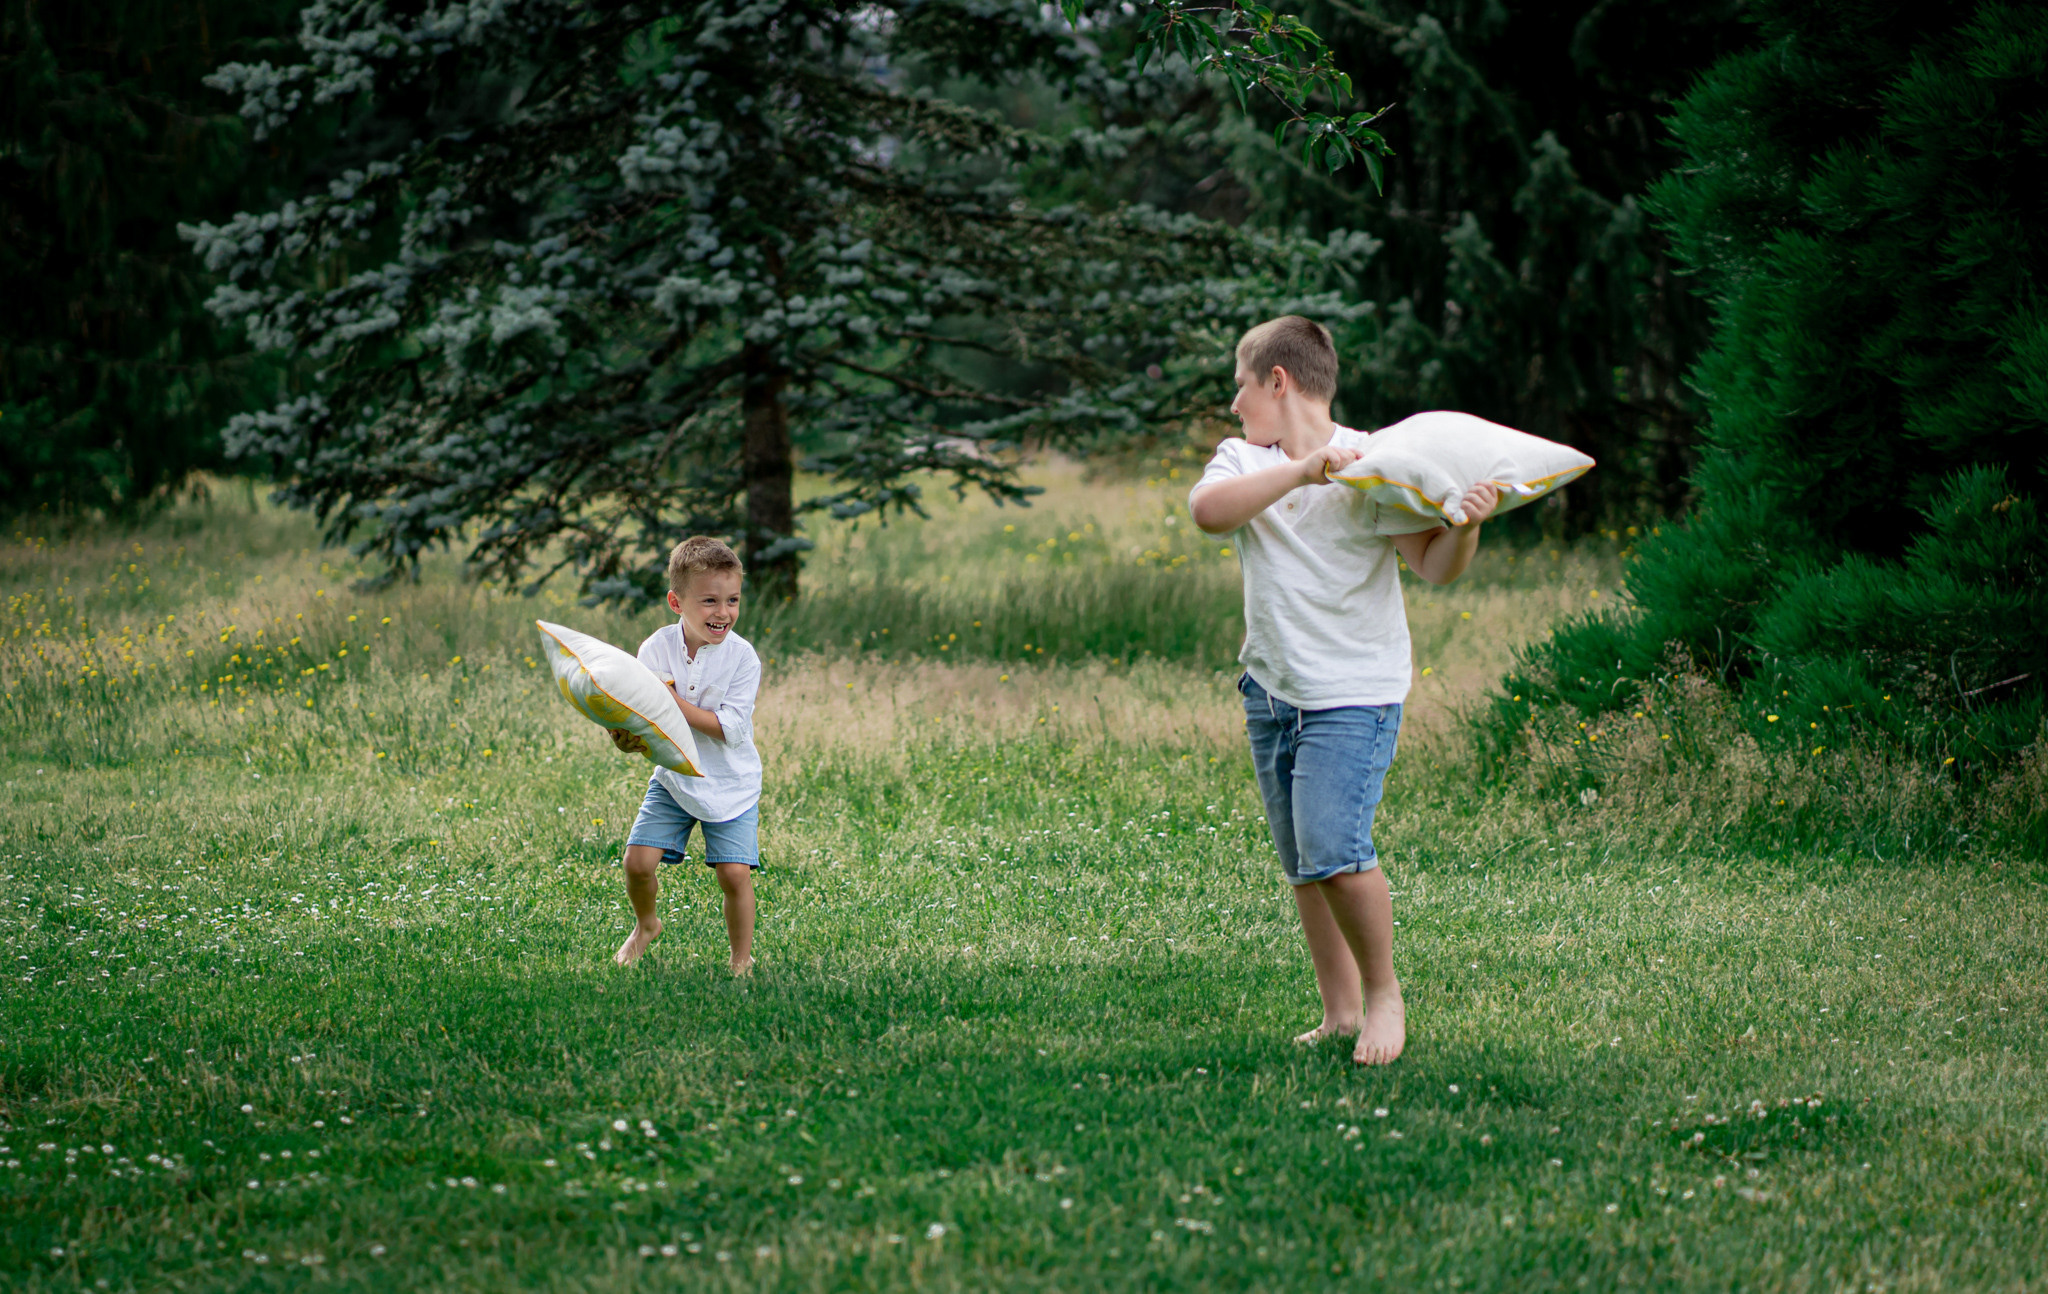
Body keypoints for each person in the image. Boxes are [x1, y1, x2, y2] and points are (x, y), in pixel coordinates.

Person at [1188, 316, 1500, 1065]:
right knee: (1305, 862)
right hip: (1272, 690)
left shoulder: (1375, 462)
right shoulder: (1242, 459)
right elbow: (1208, 514)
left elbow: (1433, 566)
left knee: (1334, 846)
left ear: (1278, 381)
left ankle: (1384, 996)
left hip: (1353, 692)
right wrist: (1302, 472)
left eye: (1240, 386)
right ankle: (1339, 1012)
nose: (1234, 404)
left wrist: (1465, 528)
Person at [608, 536, 764, 974]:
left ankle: (741, 960)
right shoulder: (655, 649)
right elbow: (642, 717)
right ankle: (646, 926)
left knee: (734, 874)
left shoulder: (743, 658)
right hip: (675, 778)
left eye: (733, 600)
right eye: (710, 600)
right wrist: (624, 737)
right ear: (676, 602)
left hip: (730, 782)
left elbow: (730, 728)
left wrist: (671, 702)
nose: (723, 612)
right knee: (637, 863)